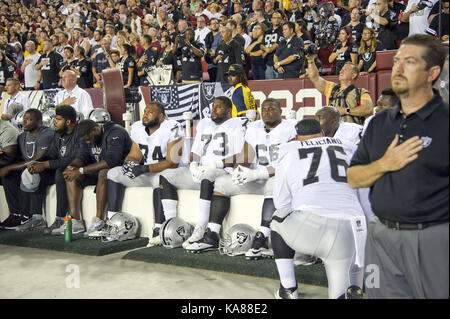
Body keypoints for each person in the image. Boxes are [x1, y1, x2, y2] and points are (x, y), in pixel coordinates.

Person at [347, 34, 448, 299]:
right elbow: (354, 178)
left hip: (433, 240)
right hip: (380, 237)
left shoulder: (446, 122)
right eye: (397, 61)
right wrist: (385, 163)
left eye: (410, 62)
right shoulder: (379, 123)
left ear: (432, 73)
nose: (398, 69)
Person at [271, 118, 366, 299]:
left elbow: (281, 203)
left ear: (297, 138)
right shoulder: (350, 146)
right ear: (322, 133)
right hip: (355, 228)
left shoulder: (289, 150)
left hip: (315, 228)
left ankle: (288, 289)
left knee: (277, 217)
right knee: (345, 292)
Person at [188, 98, 297, 257]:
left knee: (274, 184)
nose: (266, 112)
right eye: (264, 109)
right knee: (222, 183)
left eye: (271, 108)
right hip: (258, 177)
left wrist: (257, 173)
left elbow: (290, 163)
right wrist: (240, 170)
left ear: (281, 112)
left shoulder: (290, 128)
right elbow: (246, 157)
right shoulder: (255, 128)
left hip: (279, 177)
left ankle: (262, 238)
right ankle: (212, 233)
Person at [159, 96, 247, 249]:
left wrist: (216, 164)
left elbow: (240, 155)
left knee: (208, 175)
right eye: (213, 106)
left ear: (228, 110)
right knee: (166, 176)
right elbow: (196, 150)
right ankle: (171, 223)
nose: (213, 109)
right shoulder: (205, 124)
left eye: (218, 107)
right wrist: (193, 165)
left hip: (221, 170)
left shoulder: (237, 125)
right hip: (200, 170)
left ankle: (200, 228)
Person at [103, 102, 184, 240]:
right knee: (113, 173)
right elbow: (134, 154)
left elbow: (172, 163)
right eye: (145, 111)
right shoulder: (138, 128)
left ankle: (158, 227)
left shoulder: (173, 128)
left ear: (161, 116)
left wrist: (144, 168)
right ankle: (112, 222)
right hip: (146, 172)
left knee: (161, 178)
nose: (145, 115)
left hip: (167, 173)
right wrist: (130, 164)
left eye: (150, 112)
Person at [53, 118, 133, 235]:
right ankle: (76, 221)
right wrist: (73, 167)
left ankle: (99, 221)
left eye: (89, 139)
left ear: (95, 130)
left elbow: (112, 160)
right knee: (71, 174)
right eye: (85, 140)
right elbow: (82, 156)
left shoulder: (115, 132)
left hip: (119, 171)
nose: (88, 142)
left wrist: (81, 170)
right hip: (95, 171)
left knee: (104, 172)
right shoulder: (85, 137)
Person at [27, 105, 88, 234]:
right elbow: (52, 154)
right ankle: (36, 217)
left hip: (82, 171)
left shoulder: (80, 134)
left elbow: (75, 159)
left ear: (68, 122)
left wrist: (45, 165)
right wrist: (37, 164)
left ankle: (60, 218)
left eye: (58, 119)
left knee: (61, 172)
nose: (54, 122)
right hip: (60, 167)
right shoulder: (58, 134)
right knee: (37, 174)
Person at [0, 109, 54, 232]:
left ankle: (33, 217)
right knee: (9, 176)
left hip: (49, 169)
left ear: (39, 122)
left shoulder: (47, 134)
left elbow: (37, 159)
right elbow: (17, 157)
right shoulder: (22, 136)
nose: (24, 123)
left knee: (31, 172)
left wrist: (8, 168)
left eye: (28, 119)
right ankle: (16, 214)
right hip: (31, 169)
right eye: (24, 119)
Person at [307, 56, 374, 125]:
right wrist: (310, 60)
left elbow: (368, 109)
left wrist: (345, 110)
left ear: (353, 75)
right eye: (341, 69)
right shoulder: (331, 88)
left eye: (345, 70)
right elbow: (314, 77)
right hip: (332, 133)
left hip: (352, 133)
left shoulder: (361, 92)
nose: (340, 71)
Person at [0, 119, 21, 229]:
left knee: (7, 174)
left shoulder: (7, 130)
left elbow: (7, 158)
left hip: (14, 167)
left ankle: (16, 215)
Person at [261, 10, 283, 80]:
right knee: (269, 85)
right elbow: (261, 45)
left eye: (278, 18)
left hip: (279, 61)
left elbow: (276, 44)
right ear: (271, 19)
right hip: (268, 62)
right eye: (275, 18)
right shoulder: (267, 31)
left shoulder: (283, 30)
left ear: (281, 19)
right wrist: (266, 50)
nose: (276, 20)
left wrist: (267, 51)